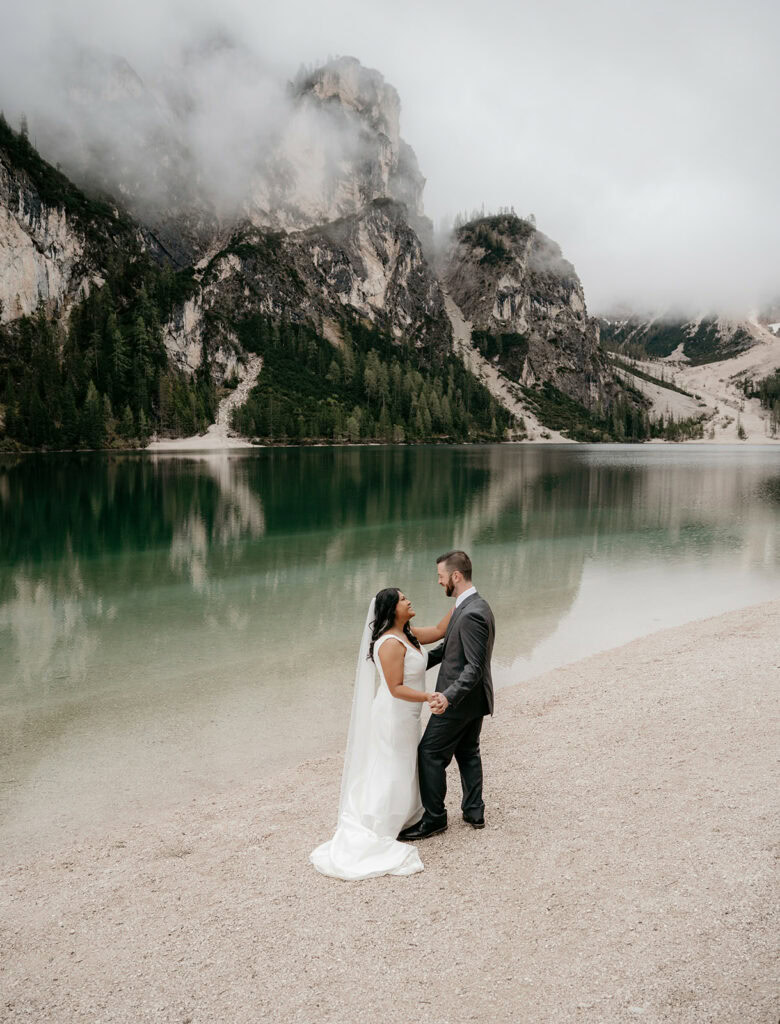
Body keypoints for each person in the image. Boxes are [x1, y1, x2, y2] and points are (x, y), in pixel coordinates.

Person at [309, 587, 451, 880]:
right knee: (393, 766)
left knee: (405, 763)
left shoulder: (409, 634)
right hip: (392, 716)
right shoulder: (388, 644)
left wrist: (463, 598)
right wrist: (428, 696)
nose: (409, 600)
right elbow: (396, 688)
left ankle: (405, 814)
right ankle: (384, 819)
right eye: (403, 599)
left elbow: (440, 630)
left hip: (408, 716)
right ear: (391, 609)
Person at [399, 550, 495, 841]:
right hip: (473, 699)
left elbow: (474, 666)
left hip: (459, 701)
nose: (439, 582)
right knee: (467, 751)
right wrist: (413, 666)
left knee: (429, 753)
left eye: (441, 576)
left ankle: (435, 819)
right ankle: (474, 810)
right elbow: (448, 650)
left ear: (456, 575)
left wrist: (448, 697)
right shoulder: (470, 605)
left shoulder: (472, 613)